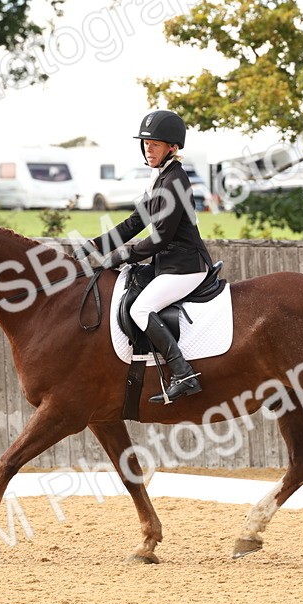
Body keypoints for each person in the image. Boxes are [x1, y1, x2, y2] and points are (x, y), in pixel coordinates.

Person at [85, 109, 214, 403]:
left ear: (172, 147)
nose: (148, 148)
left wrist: (121, 257)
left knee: (140, 309)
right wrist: (97, 244)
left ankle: (183, 373)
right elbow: (135, 222)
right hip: (168, 264)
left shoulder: (175, 181)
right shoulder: (159, 178)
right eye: (145, 143)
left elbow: (161, 237)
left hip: (186, 266)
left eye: (155, 144)